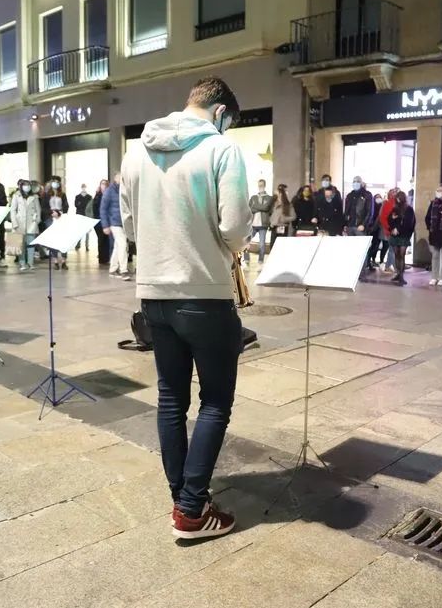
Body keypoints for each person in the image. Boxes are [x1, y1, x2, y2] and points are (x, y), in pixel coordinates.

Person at [120, 76, 250, 540]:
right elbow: (234, 228)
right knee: (215, 402)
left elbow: (129, 225)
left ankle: (184, 497)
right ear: (220, 112)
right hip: (204, 293)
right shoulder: (221, 149)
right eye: (227, 122)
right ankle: (192, 511)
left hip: (154, 295)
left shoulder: (137, 151)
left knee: (171, 398)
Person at [101, 173, 130, 280]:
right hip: (114, 223)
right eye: (121, 178)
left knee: (118, 246)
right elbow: (103, 209)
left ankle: (113, 269)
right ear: (115, 179)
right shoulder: (109, 191)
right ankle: (124, 270)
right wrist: (105, 225)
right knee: (123, 244)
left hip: (124, 223)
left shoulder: (125, 190)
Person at [10, 180, 40, 271]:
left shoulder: (34, 196)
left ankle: (30, 263)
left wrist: (37, 221)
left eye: (28, 185)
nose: (27, 187)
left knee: (31, 244)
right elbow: (13, 210)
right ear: (21, 186)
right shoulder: (16, 195)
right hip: (20, 222)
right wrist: (14, 222)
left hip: (31, 223)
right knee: (20, 244)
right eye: (25, 185)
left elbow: (38, 209)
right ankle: (22, 263)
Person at [243, 179, 272, 266]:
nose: (260, 187)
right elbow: (250, 209)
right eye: (259, 185)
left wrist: (255, 206)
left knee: (261, 244)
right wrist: (261, 207)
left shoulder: (269, 198)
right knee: (246, 241)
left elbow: (266, 208)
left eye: (262, 185)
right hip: (253, 225)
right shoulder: (253, 197)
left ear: (265, 186)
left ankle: (260, 260)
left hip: (263, 225)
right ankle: (246, 259)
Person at [268, 183, 295, 250]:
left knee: (281, 246)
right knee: (272, 246)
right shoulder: (274, 204)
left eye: (280, 193)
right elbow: (271, 214)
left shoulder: (288, 206)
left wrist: (284, 219)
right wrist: (271, 222)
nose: (279, 195)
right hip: (274, 227)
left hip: (283, 227)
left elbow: (294, 216)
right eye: (278, 194)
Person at [93, 181, 110, 266]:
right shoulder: (97, 196)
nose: (103, 186)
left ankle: (107, 258)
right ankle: (102, 259)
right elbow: (95, 208)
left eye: (105, 184)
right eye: (102, 184)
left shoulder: (109, 195)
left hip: (107, 221)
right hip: (99, 221)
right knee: (101, 240)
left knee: (107, 241)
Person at [73, 183, 92, 251]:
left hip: (86, 216)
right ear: (81, 188)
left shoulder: (89, 197)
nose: (84, 188)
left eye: (84, 187)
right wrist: (83, 205)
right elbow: (76, 205)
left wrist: (81, 204)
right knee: (80, 231)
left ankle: (86, 246)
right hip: (80, 216)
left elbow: (90, 206)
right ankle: (78, 244)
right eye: (83, 187)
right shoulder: (77, 196)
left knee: (87, 232)